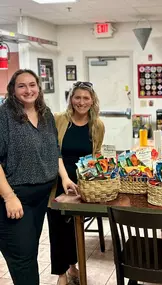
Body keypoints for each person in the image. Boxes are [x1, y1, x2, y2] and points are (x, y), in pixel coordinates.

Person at [0, 69, 77, 285]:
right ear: (13, 90)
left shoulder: (45, 114)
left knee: (29, 252)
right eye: (21, 86)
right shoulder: (4, 116)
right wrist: (9, 197)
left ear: (39, 87)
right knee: (22, 258)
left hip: (41, 198)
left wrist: (64, 178)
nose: (28, 90)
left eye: (32, 84)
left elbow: (55, 150)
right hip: (16, 198)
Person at [47, 81, 105, 285]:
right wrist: (64, 178)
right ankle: (61, 275)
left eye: (86, 98)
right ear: (71, 99)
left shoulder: (97, 124)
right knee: (57, 228)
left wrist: (96, 176)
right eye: (77, 97)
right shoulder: (58, 120)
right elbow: (53, 151)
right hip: (58, 181)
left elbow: (95, 154)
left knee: (74, 228)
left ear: (92, 100)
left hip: (82, 185)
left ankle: (73, 267)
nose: (81, 102)